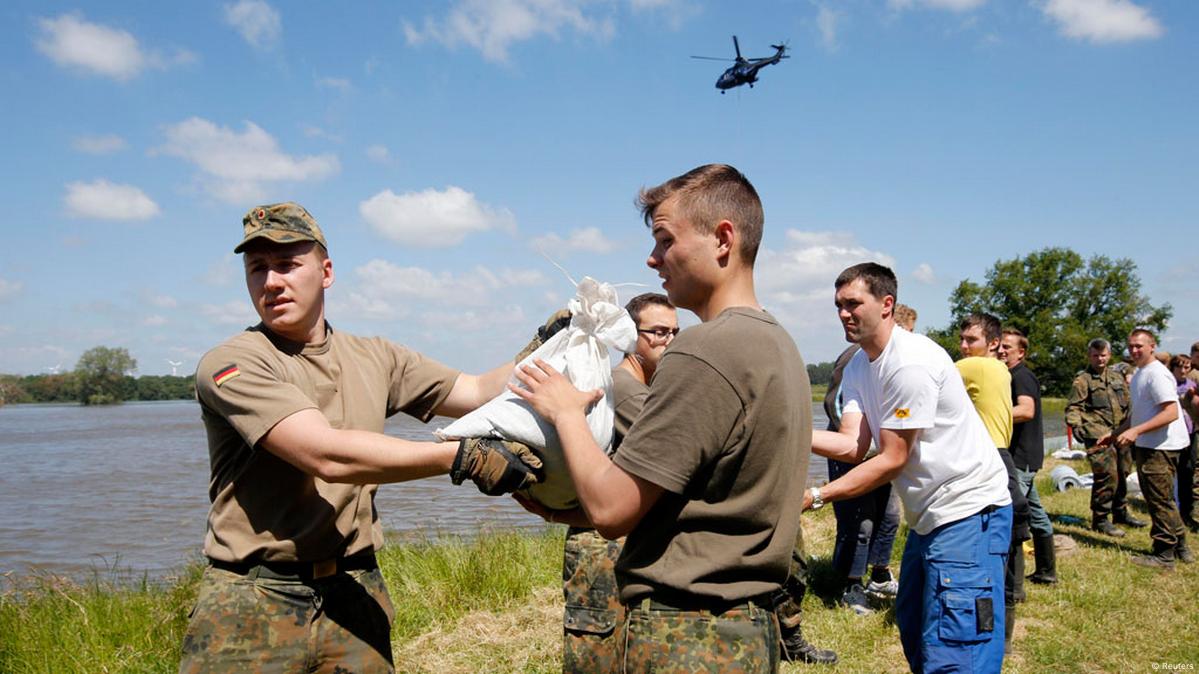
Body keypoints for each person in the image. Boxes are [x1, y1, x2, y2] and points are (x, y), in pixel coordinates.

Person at [179, 202, 547, 673]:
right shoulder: (233, 363)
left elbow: (474, 391)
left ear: (326, 272)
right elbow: (325, 455)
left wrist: (548, 346)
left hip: (353, 591)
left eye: (288, 265)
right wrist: (461, 457)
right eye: (257, 269)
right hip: (253, 603)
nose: (272, 282)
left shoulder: (376, 356)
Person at [511, 164, 811, 672]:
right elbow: (709, 501)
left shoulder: (706, 349)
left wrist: (565, 412)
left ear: (722, 239)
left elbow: (612, 510)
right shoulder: (778, 343)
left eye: (665, 240)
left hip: (686, 635)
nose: (652, 259)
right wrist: (567, 512)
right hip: (745, 629)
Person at [809, 263, 1011, 674]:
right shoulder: (859, 367)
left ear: (887, 305)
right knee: (916, 629)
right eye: (838, 306)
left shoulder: (912, 362)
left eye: (853, 304)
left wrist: (816, 495)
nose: (844, 314)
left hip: (970, 513)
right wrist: (785, 430)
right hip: (928, 519)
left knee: (956, 648)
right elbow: (852, 444)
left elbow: (892, 458)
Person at [553, 292, 678, 674]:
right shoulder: (624, 389)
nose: (668, 340)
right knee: (598, 657)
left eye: (675, 332)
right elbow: (674, 451)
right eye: (657, 332)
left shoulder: (648, 388)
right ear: (630, 337)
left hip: (623, 539)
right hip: (603, 545)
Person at [821, 305, 915, 615]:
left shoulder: (896, 361)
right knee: (858, 522)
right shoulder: (855, 359)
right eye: (908, 332)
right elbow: (835, 405)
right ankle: (851, 584)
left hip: (881, 455)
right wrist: (860, 439)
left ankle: (879, 573)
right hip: (852, 453)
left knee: (888, 516)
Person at [955, 313, 1028, 647]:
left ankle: (986, 628)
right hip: (1004, 458)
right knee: (1010, 543)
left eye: (972, 340)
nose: (964, 346)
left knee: (982, 546)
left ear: (994, 344)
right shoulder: (1001, 368)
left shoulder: (976, 367)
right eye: (963, 340)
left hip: (986, 460)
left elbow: (925, 375)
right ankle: (1005, 632)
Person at [1099, 329, 1192, 569]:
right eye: (1131, 346)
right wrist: (1116, 433)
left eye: (1139, 346)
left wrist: (1136, 432)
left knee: (1158, 501)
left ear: (1152, 346)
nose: (1134, 350)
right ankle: (1180, 546)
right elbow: (1140, 413)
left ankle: (1164, 554)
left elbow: (1170, 412)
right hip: (1152, 444)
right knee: (1164, 499)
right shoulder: (1141, 373)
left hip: (1160, 447)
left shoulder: (1156, 375)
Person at [1064, 339, 1144, 537]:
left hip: (1120, 433)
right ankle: (1100, 519)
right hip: (1098, 435)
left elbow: (1128, 402)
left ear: (1109, 355)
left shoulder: (1117, 377)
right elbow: (1073, 407)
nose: (1099, 359)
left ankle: (1120, 513)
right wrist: (1077, 427)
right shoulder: (1083, 380)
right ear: (1089, 356)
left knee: (1123, 473)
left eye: (1103, 355)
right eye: (1095, 355)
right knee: (1106, 476)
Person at [999, 328, 1056, 586]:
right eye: (999, 346)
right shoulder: (1008, 375)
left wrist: (993, 414)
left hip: (1022, 456)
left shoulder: (1021, 376)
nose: (1001, 350)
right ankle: (1047, 571)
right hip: (1025, 455)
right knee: (1035, 512)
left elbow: (1026, 410)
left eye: (1007, 348)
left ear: (1021, 352)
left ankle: (1013, 585)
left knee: (1013, 516)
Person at [1177, 348, 1199, 533]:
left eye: (1187, 367)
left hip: (1191, 433)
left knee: (1188, 471)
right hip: (1174, 435)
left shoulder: (1192, 384)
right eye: (1180, 367)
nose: (1183, 371)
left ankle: (1187, 511)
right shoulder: (1168, 384)